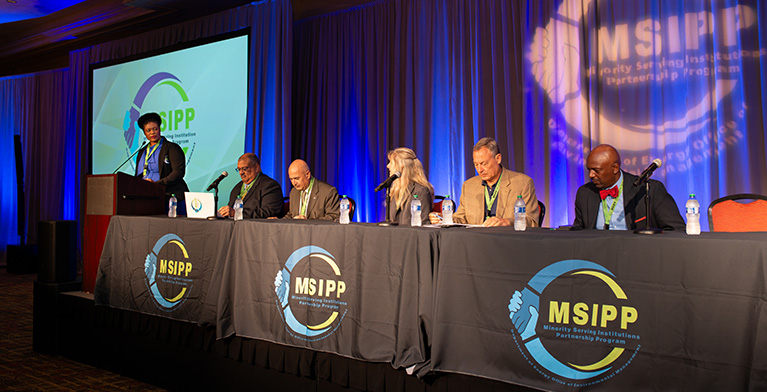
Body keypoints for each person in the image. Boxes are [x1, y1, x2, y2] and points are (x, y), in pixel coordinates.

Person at [572, 144, 685, 231]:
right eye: (589, 170)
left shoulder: (650, 189)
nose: (591, 175)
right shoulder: (585, 193)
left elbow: (676, 230)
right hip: (596, 258)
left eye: (596, 170)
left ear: (615, 168)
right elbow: (578, 233)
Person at [432, 137, 539, 227]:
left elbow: (532, 223)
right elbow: (460, 219)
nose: (480, 169)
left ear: (498, 159)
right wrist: (443, 218)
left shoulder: (523, 183)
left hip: (507, 244)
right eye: (476, 164)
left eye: (484, 164)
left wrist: (507, 222)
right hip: (476, 244)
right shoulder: (469, 186)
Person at [135, 112, 189, 210]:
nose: (152, 132)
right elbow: (138, 176)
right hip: (148, 197)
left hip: (170, 197)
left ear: (159, 129)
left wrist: (157, 184)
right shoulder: (142, 151)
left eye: (155, 129)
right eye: (148, 130)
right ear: (144, 133)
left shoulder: (172, 148)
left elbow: (178, 172)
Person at [218, 153, 284, 219]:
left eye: (244, 169)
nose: (241, 172)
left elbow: (269, 212)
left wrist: (237, 213)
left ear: (256, 167)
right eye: (239, 169)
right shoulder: (237, 188)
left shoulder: (270, 186)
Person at [385, 147, 434, 225]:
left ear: (401, 166)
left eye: (391, 162)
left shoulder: (421, 191)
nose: (388, 166)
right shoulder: (394, 191)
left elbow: (424, 224)